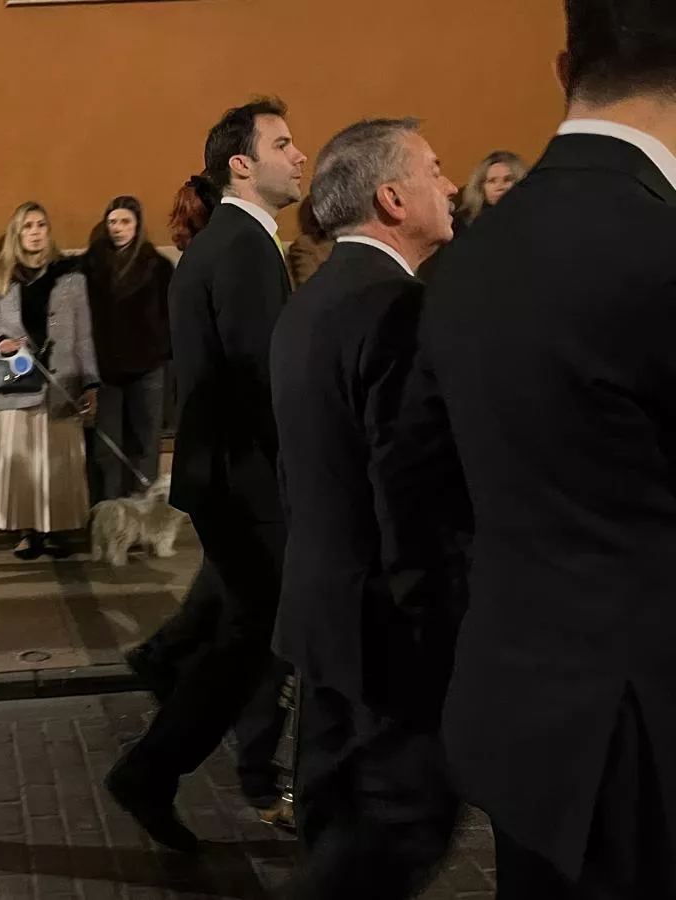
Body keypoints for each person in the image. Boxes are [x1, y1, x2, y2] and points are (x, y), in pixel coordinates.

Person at [418, 1, 676, 895]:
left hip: (516, 710)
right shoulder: (660, 243)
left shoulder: (462, 259)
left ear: (565, 70)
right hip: (649, 739)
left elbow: (427, 489)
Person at [270, 118, 467, 898]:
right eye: (435, 168)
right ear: (392, 197)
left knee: (335, 817)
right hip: (386, 630)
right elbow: (411, 492)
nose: (449, 185)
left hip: (322, 615)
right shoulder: (399, 309)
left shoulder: (311, 304)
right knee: (398, 827)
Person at [104, 98, 306, 854]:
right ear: (241, 164)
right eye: (284, 144)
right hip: (247, 480)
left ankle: (166, 673)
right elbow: (262, 377)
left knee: (239, 626)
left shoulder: (224, 243)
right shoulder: (246, 247)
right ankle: (153, 768)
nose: (300, 155)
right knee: (252, 641)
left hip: (225, 477)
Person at [0, 202, 100, 560]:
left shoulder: (70, 276)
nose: (35, 231)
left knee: (59, 458)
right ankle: (29, 532)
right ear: (17, 233)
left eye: (41, 224)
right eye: (27, 225)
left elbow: (84, 335)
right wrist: (0, 343)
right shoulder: (0, 276)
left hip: (62, 380)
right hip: (18, 377)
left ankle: (57, 528)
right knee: (24, 458)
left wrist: (91, 383)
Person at [83, 195, 173, 499]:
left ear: (137, 225)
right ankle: (110, 517)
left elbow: (170, 315)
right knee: (106, 447)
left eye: (125, 222)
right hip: (107, 370)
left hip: (147, 368)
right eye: (112, 222)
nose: (118, 228)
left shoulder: (157, 267)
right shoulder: (92, 264)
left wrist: (160, 350)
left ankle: (144, 517)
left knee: (145, 444)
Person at [455, 150, 528, 227]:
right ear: (481, 187)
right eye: (492, 181)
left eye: (508, 179)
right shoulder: (464, 223)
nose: (500, 187)